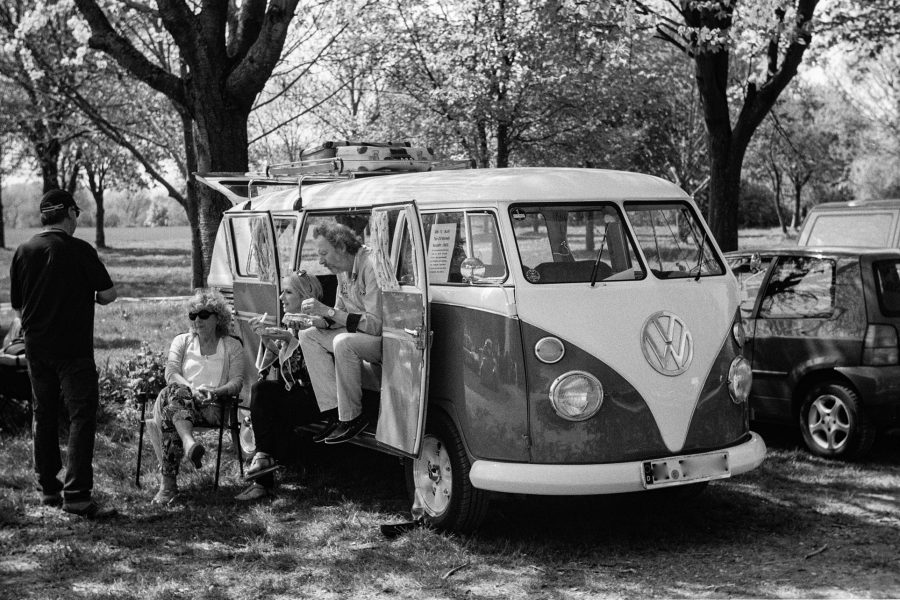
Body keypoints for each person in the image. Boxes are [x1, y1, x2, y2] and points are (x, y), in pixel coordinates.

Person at [9, 189, 118, 518]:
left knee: (43, 414)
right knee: (81, 417)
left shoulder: (23, 250)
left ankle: (49, 490)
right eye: (77, 212)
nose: (77, 218)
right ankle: (78, 496)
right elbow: (109, 294)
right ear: (69, 213)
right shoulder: (81, 250)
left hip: (36, 348)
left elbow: (17, 305)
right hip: (73, 349)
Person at [236, 270, 335, 501]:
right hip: (298, 392)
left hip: (320, 397)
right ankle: (263, 461)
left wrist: (290, 340)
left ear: (305, 295)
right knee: (262, 391)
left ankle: (263, 478)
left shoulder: (319, 323)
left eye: (287, 292)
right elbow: (282, 366)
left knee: (269, 409)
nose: (281, 297)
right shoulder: (291, 321)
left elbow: (307, 369)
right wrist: (266, 337)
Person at [146, 288, 244, 505]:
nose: (197, 320)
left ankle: (168, 486)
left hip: (211, 406)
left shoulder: (232, 345)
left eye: (203, 315)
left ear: (218, 317)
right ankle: (189, 443)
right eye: (193, 315)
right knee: (176, 394)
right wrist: (190, 390)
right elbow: (171, 373)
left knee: (172, 412)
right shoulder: (182, 341)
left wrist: (215, 392)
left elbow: (237, 381)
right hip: (181, 399)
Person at [298, 222, 383, 444]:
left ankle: (353, 417)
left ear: (342, 247)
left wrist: (327, 311)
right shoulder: (342, 271)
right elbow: (339, 313)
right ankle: (334, 413)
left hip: (383, 341)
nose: (320, 261)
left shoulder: (370, 265)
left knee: (344, 342)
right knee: (308, 336)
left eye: (324, 253)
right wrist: (320, 320)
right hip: (358, 334)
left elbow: (375, 325)